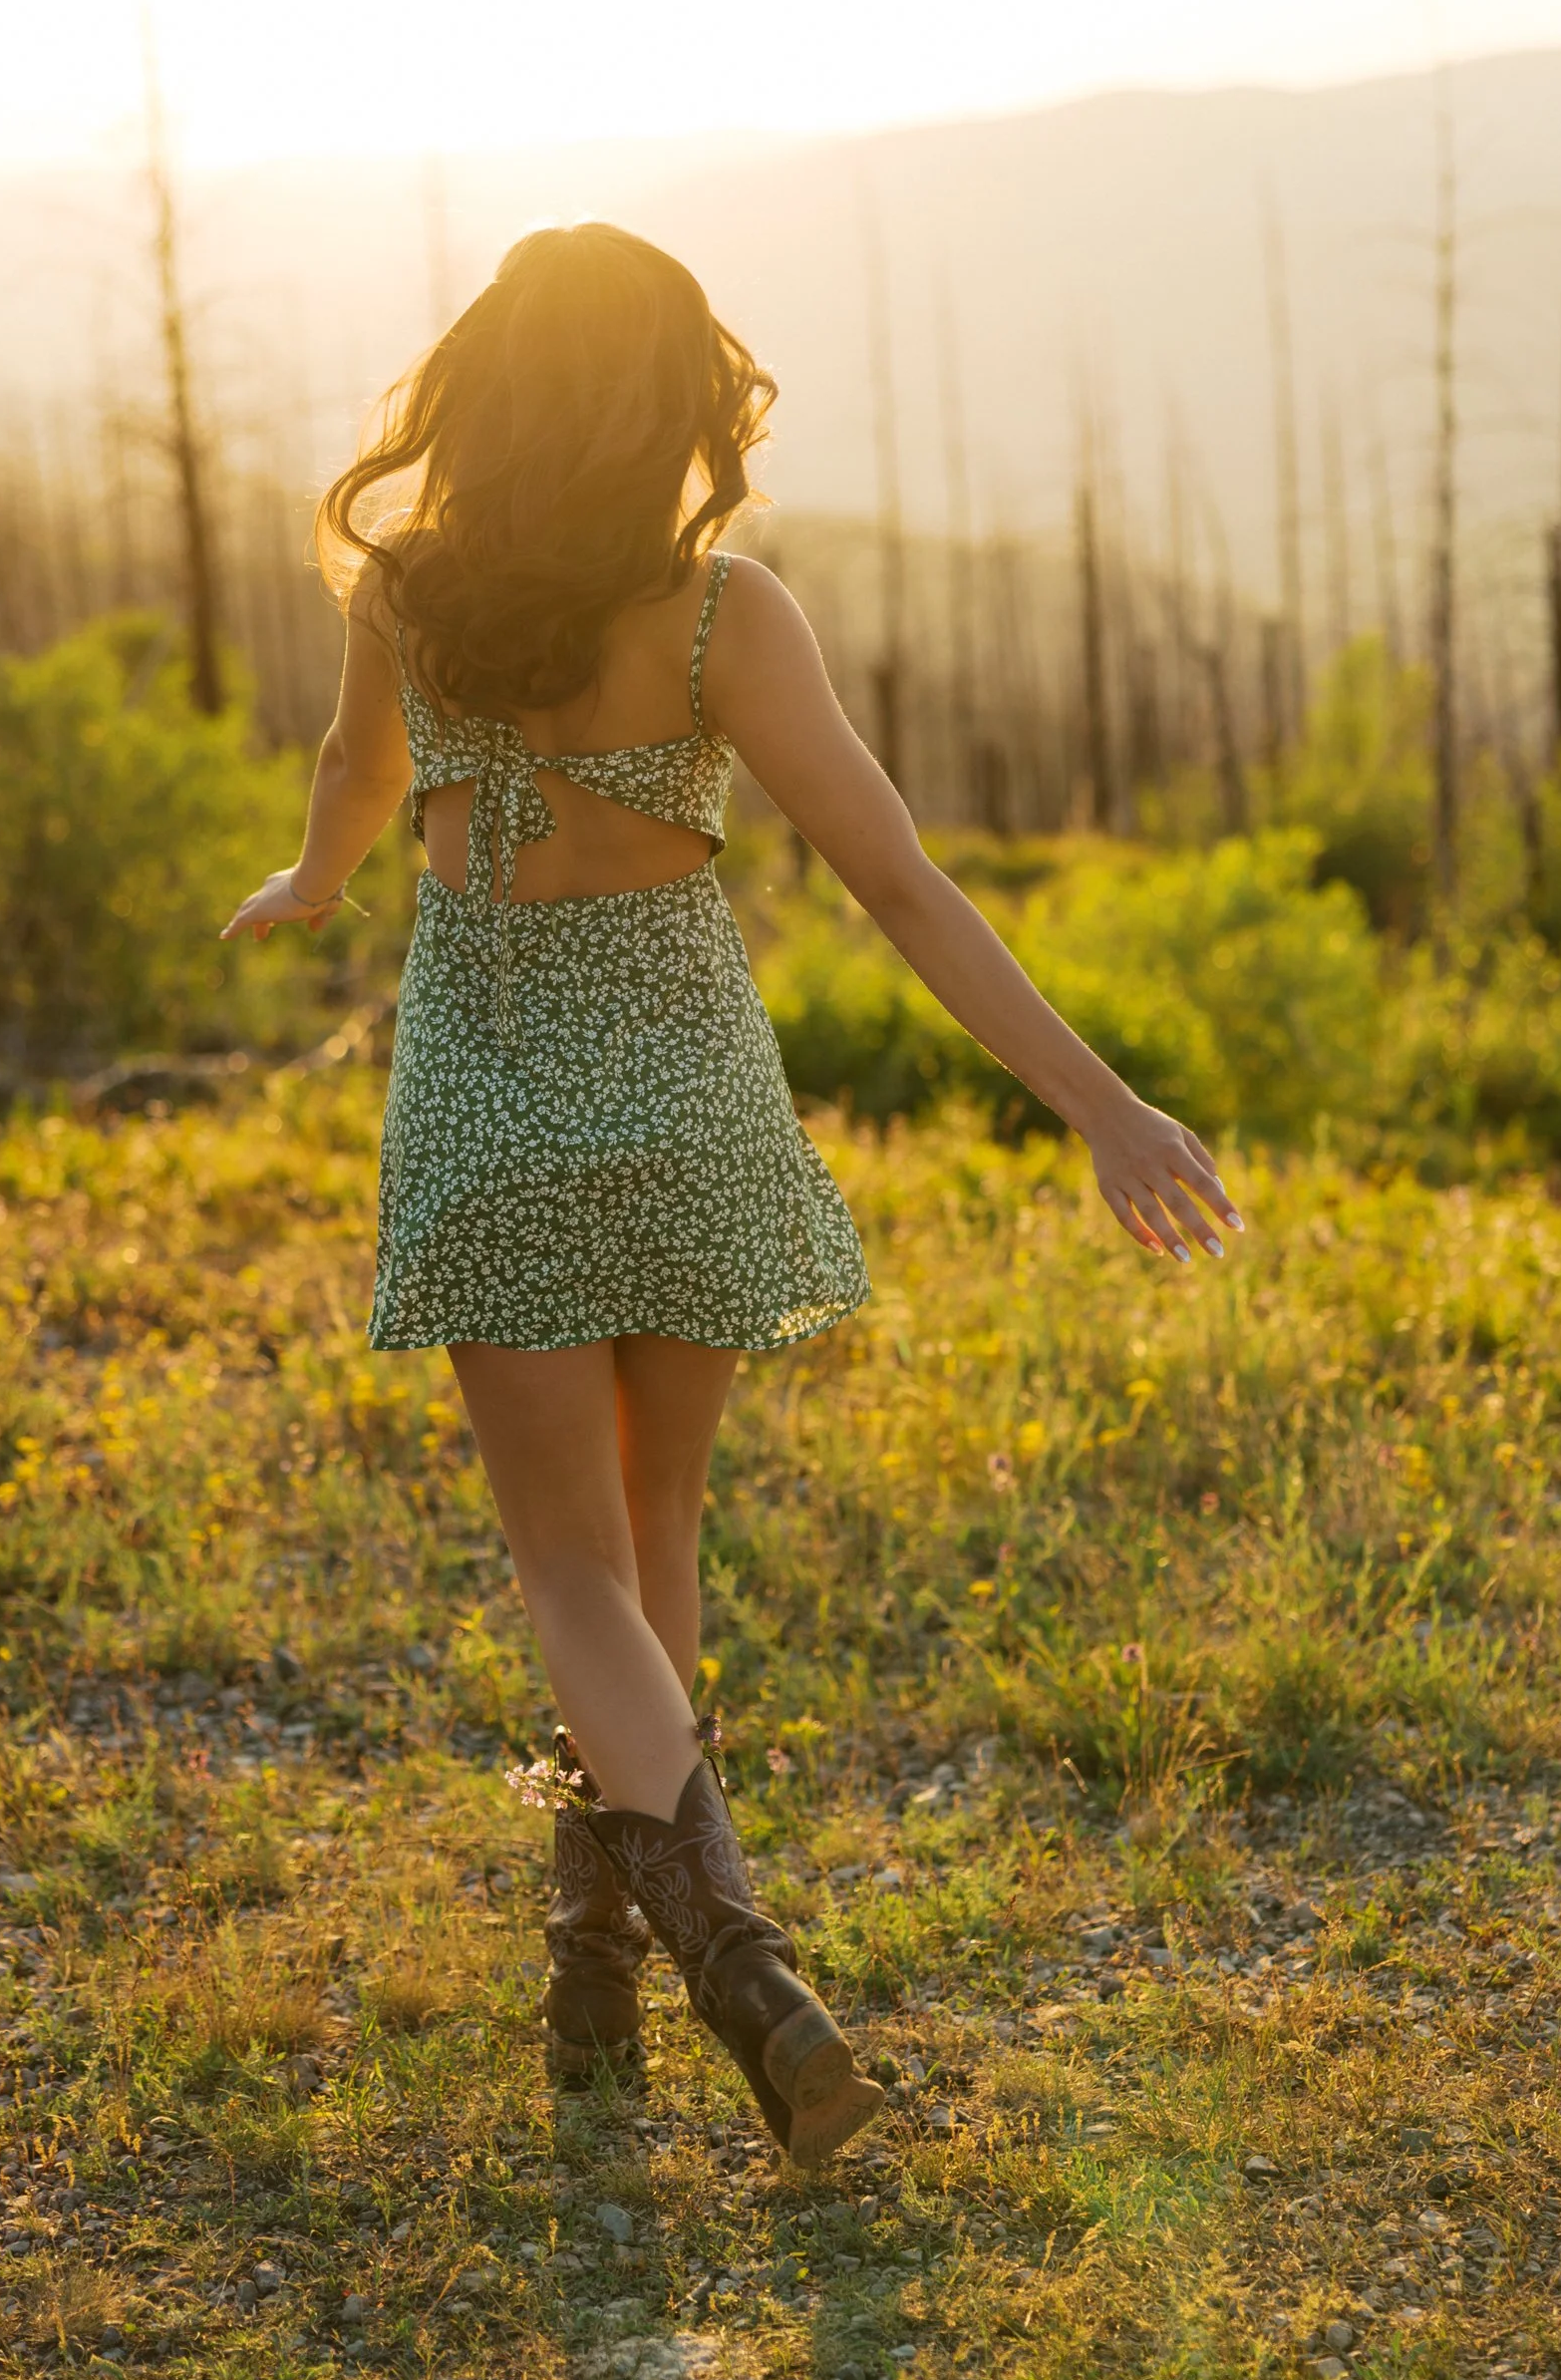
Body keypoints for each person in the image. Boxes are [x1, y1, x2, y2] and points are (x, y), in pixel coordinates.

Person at [223, 221, 1239, 2166]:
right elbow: (902, 885)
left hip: (494, 1093)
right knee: (655, 1528)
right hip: (689, 1091)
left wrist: (320, 880)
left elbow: (357, 778)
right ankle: (590, 1966)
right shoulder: (720, 616)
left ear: (485, 394)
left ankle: (733, 1964)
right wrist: (1100, 1106)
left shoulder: (406, 590)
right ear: (677, 402)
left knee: (565, 1568)